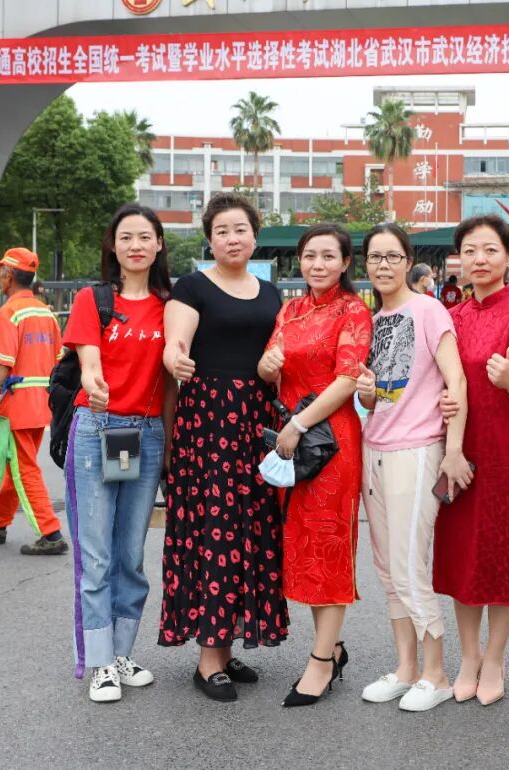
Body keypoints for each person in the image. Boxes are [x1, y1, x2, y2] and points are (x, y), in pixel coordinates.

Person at [160, 193, 287, 703]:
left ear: (255, 235)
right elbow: (175, 342)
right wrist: (176, 358)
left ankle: (228, 643)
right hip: (209, 423)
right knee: (214, 530)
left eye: (240, 229)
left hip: (255, 422)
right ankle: (208, 659)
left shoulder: (272, 293)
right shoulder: (191, 287)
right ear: (209, 240)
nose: (232, 239)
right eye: (222, 231)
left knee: (249, 531)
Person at [355, 223, 472, 713]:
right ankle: (405, 669)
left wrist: (453, 449)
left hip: (418, 448)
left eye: (392, 256)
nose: (383, 265)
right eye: (375, 257)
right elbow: (377, 395)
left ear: (408, 261)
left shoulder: (428, 310)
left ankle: (436, 673)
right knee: (386, 568)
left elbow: (456, 380)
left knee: (408, 564)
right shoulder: (373, 319)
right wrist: (367, 394)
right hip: (375, 446)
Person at [431, 215, 509, 707]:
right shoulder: (450, 317)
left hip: (508, 451)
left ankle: (495, 658)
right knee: (462, 552)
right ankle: (469, 656)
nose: (479, 260)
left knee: (502, 552)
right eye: (470, 251)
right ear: (459, 258)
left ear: (507, 257)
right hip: (458, 448)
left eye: (490, 250)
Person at [256, 224, 373, 707]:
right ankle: (333, 647)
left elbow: (347, 380)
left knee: (328, 546)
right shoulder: (291, 309)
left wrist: (299, 424)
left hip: (329, 442)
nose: (318, 264)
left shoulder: (354, 311)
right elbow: (271, 364)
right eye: (310, 256)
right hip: (291, 441)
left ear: (345, 263)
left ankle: (321, 661)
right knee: (302, 546)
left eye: (328, 256)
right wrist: (267, 367)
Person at [62, 205, 174, 703]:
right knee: (97, 555)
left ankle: (122, 653)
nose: (135, 246)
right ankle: (100, 663)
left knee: (130, 555)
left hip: (146, 436)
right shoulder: (94, 300)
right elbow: (89, 362)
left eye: (144, 237)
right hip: (98, 429)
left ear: (159, 244)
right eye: (126, 237)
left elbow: (172, 377)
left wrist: (169, 442)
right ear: (113, 245)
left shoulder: (170, 305)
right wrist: (94, 382)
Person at [0, 247, 68, 555]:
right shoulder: (46, 313)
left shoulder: (10, 312)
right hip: (42, 403)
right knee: (16, 465)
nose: (0, 277)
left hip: (18, 403)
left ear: (8, 276)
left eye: (1, 272)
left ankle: (51, 533)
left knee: (24, 469)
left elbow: (1, 364)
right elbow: (59, 360)